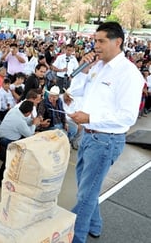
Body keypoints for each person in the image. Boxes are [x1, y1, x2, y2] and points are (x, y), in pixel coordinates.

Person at [67, 22, 144, 243]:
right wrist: (84, 69)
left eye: (101, 41)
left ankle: (75, 237)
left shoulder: (129, 74)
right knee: (87, 188)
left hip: (105, 140)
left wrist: (90, 118)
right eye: (95, 41)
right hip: (89, 136)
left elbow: (128, 117)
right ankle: (94, 224)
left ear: (117, 42)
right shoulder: (98, 67)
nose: (96, 46)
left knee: (85, 194)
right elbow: (75, 91)